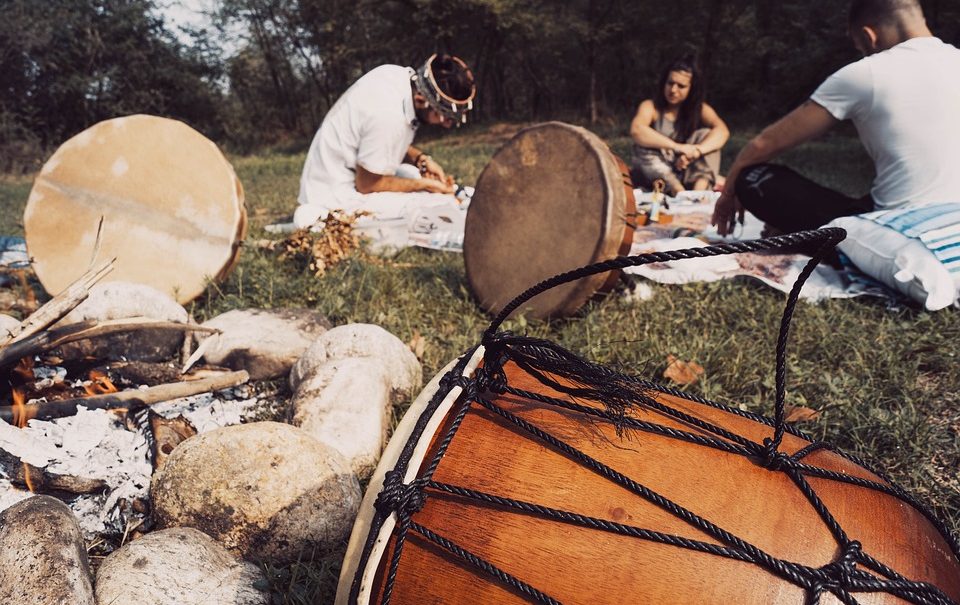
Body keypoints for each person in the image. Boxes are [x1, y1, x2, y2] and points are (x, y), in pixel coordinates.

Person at [712, 0, 960, 238]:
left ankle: (822, 241)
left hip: (899, 232)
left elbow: (764, 145)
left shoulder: (867, 73)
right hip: (953, 222)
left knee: (751, 178)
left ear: (868, 36)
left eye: (859, 47)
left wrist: (727, 196)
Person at [294, 54, 476, 232]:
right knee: (439, 204)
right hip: (336, 194)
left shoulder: (396, 76)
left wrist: (420, 159)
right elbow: (367, 185)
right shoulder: (389, 116)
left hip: (336, 175)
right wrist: (426, 185)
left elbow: (378, 140)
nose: (446, 124)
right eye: (444, 117)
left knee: (412, 173)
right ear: (421, 100)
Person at [629, 56, 729, 196]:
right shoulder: (650, 106)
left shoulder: (700, 109)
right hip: (656, 173)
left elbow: (722, 132)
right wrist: (678, 147)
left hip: (685, 169)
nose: (673, 90)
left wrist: (695, 152)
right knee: (643, 146)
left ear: (691, 89)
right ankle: (678, 192)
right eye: (670, 83)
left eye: (681, 86)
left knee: (706, 135)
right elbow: (637, 130)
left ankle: (698, 193)